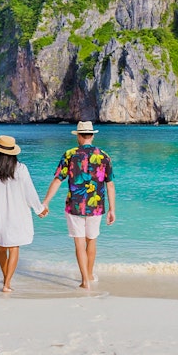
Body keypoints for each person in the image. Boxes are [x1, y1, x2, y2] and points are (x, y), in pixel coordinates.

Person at [42, 121, 115, 289]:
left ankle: (85, 281)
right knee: (92, 241)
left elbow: (58, 180)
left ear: (79, 136)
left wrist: (45, 202)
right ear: (92, 135)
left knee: (79, 244)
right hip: (96, 206)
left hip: (74, 206)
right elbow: (110, 184)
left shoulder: (69, 154)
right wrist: (112, 209)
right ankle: (89, 274)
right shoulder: (104, 156)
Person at [0, 134, 48, 292]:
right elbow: (29, 191)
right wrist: (39, 209)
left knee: (1, 247)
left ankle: (6, 280)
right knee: (14, 248)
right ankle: (7, 283)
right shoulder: (21, 169)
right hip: (17, 215)